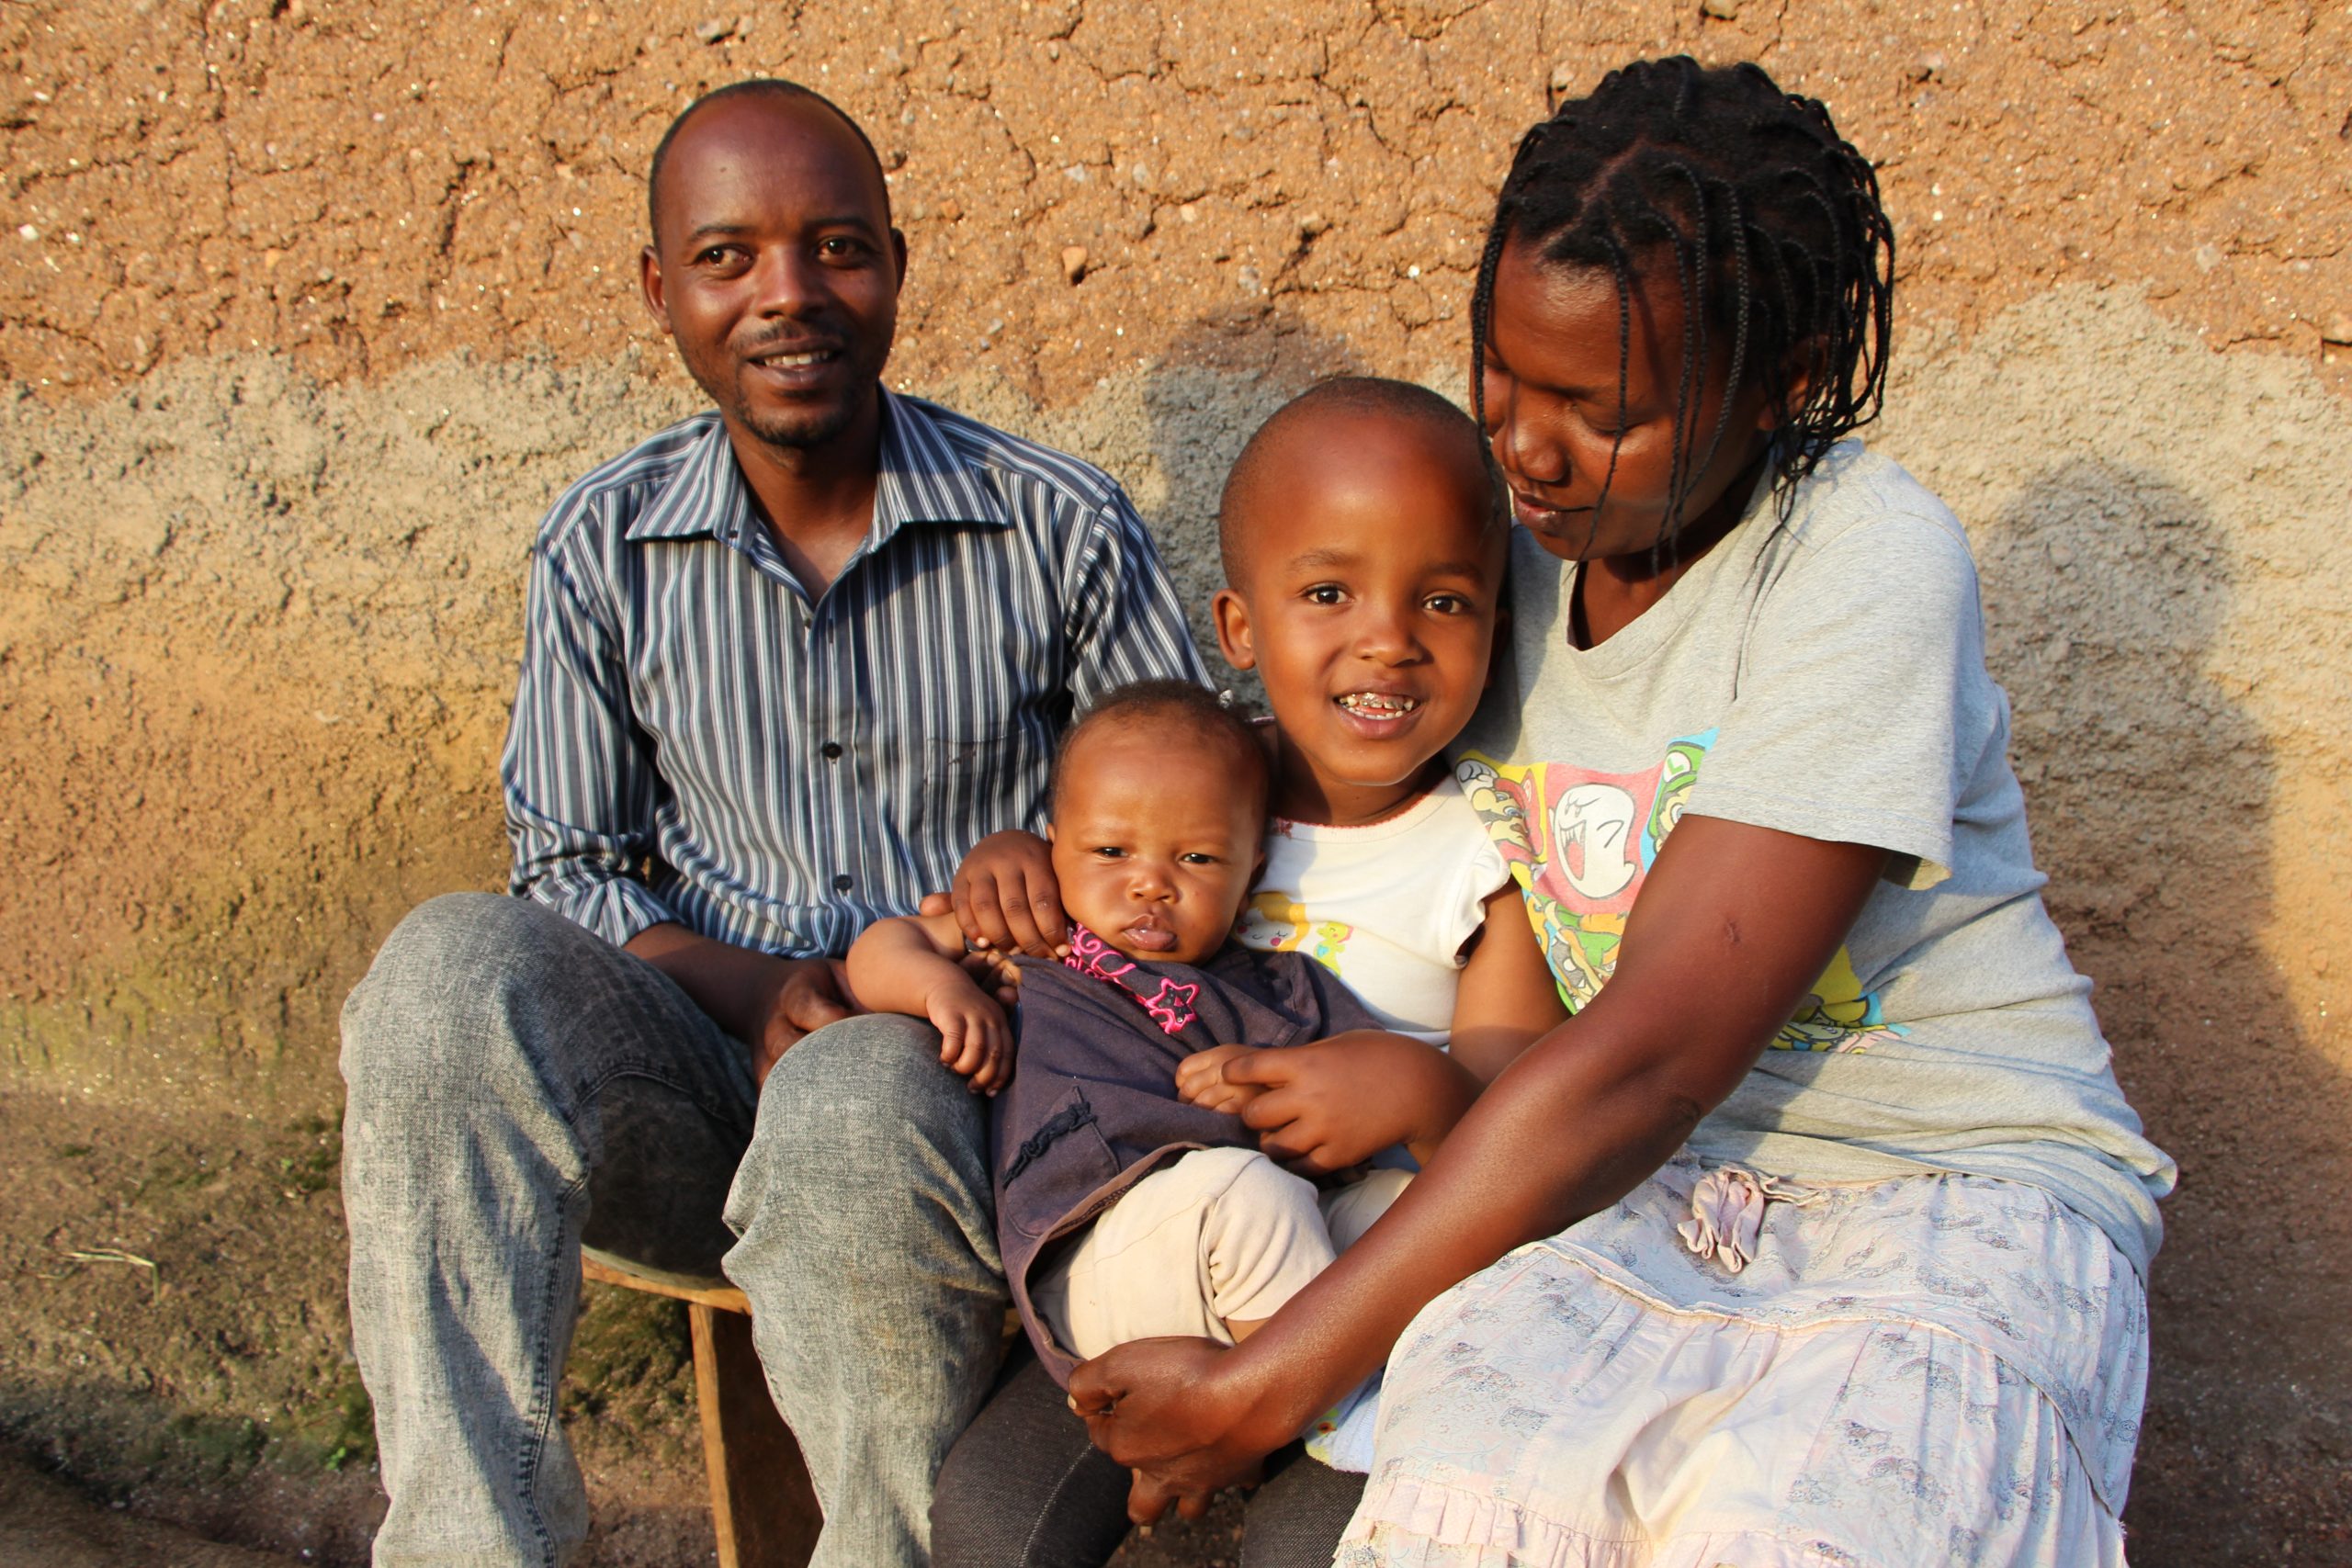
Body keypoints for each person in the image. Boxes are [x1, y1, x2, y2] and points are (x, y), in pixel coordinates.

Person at [1069, 57, 2177, 1567]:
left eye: (1606, 411)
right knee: (1464, 1523)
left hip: (1945, 1181)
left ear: (1778, 382)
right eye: (1504, 377)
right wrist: (1041, 856)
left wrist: (1274, 1380)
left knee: (1810, 1529)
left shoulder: (1856, 566)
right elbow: (1298, 728)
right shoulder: (1493, 550)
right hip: (1630, 1184)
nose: (1524, 446)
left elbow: (1651, 1052)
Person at [335, 79, 1204, 1568]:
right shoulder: (606, 545)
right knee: (436, 974)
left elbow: (1198, 823)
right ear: (660, 288)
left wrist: (1049, 879)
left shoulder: (1056, 522)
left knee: (856, 1091)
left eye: (839, 247)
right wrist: (757, 990)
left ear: (896, 267)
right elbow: (570, 869)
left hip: (947, 1095)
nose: (788, 295)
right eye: (729, 256)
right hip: (693, 1072)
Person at [925, 381, 1567, 1566]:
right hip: (1154, 1236)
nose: (1386, 637)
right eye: (1329, 593)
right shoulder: (1175, 787)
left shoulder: (1491, 860)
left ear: (1499, 625)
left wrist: (1418, 1093)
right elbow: (1047, 887)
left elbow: (1519, 1120)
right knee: (989, 1520)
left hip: (1370, 1288)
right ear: (1238, 628)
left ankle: (1313, 1434)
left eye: (1444, 600)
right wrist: (1013, 862)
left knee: (1314, 1549)